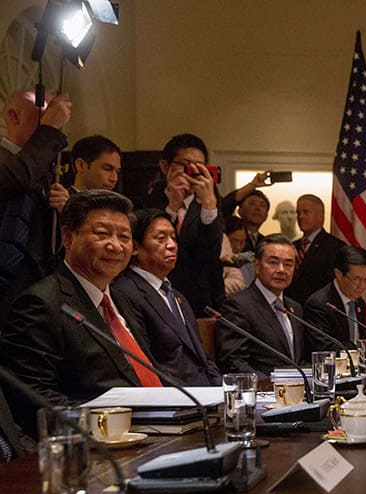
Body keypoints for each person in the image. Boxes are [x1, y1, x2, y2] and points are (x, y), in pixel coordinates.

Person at [0, 190, 161, 438]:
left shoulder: (121, 299)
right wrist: (107, 426)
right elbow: (32, 396)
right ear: (67, 237)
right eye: (102, 234)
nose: (116, 245)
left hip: (157, 429)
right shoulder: (41, 302)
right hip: (97, 445)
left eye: (124, 237)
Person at [113, 208, 221, 386]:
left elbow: (201, 357)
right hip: (175, 399)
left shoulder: (177, 295)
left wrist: (221, 387)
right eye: (161, 238)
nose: (171, 245)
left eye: (173, 237)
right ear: (135, 248)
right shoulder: (125, 292)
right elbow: (147, 362)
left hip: (206, 394)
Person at [0, 90, 72, 324]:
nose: (53, 117)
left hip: (32, 295)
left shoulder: (45, 172)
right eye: (45, 109)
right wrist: (48, 131)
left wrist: (63, 211)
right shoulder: (21, 167)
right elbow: (12, 179)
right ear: (13, 116)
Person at [146, 133, 225, 316]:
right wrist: (172, 207)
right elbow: (150, 249)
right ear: (165, 166)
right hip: (156, 299)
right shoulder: (149, 199)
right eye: (186, 166)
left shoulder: (210, 201)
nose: (194, 173)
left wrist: (208, 205)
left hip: (202, 302)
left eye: (200, 167)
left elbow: (211, 253)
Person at [215, 234, 307, 378]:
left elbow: (298, 360)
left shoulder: (294, 308)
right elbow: (233, 361)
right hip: (262, 394)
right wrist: (269, 384)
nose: (281, 270)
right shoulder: (238, 306)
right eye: (273, 262)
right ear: (257, 266)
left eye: (288, 264)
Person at [303, 245, 366, 350]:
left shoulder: (358, 301)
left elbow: (360, 337)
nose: (362, 285)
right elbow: (324, 347)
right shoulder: (319, 304)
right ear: (338, 274)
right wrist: (362, 345)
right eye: (357, 279)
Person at [285, 194, 346, 305]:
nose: (300, 217)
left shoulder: (335, 247)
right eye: (298, 213)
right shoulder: (292, 246)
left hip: (318, 311)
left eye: (306, 212)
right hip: (291, 310)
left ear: (320, 216)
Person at [236, 190, 270, 254]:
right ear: (239, 211)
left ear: (266, 216)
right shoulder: (230, 235)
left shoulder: (266, 242)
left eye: (262, 205)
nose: (258, 208)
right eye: (252, 204)